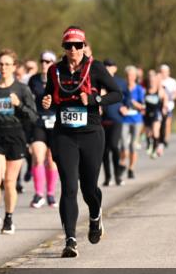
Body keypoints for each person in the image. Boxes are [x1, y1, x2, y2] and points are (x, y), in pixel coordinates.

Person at [42, 27, 122, 258]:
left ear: (84, 46)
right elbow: (48, 96)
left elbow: (117, 94)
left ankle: (95, 217)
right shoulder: (55, 71)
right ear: (64, 48)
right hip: (64, 135)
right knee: (68, 187)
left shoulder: (95, 68)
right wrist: (46, 101)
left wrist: (96, 98)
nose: (74, 50)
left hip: (91, 134)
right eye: (69, 46)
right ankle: (70, 240)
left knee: (89, 189)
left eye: (78, 45)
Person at [0, 50, 38, 235]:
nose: (3, 67)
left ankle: (9, 218)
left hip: (15, 138)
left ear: (14, 67)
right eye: (1, 64)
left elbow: (33, 116)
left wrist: (18, 104)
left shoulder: (22, 89)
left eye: (7, 64)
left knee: (10, 182)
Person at [27, 51, 60, 207]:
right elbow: (28, 101)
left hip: (55, 123)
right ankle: (39, 194)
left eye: (48, 61)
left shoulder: (58, 79)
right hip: (38, 122)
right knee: (38, 158)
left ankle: (51, 194)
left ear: (53, 63)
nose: (44, 64)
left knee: (52, 160)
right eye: (42, 61)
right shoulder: (33, 80)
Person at [100, 60, 125, 186]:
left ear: (115, 68)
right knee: (104, 150)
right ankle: (108, 177)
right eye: (105, 66)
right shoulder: (99, 81)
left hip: (116, 119)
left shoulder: (120, 82)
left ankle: (118, 175)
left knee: (114, 146)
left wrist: (126, 106)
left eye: (110, 66)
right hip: (103, 120)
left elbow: (127, 97)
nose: (107, 68)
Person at [119, 65, 146, 180]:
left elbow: (144, 106)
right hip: (124, 119)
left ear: (135, 77)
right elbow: (117, 101)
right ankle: (122, 164)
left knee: (133, 146)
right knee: (123, 145)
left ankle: (131, 168)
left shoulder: (139, 89)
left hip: (136, 119)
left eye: (132, 75)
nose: (130, 77)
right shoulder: (121, 88)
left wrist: (135, 104)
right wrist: (121, 107)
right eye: (128, 75)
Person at [143, 69, 165, 158]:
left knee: (155, 132)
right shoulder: (145, 90)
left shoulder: (160, 90)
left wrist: (164, 107)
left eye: (153, 79)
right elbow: (142, 101)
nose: (151, 81)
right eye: (150, 79)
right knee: (148, 133)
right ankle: (149, 145)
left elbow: (165, 99)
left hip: (157, 113)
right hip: (147, 113)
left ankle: (155, 150)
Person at [159, 64, 176, 149]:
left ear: (168, 72)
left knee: (167, 123)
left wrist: (171, 97)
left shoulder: (172, 81)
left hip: (169, 105)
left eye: (165, 72)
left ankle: (166, 139)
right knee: (159, 123)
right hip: (158, 105)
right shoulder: (158, 80)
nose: (163, 73)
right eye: (162, 72)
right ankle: (159, 138)